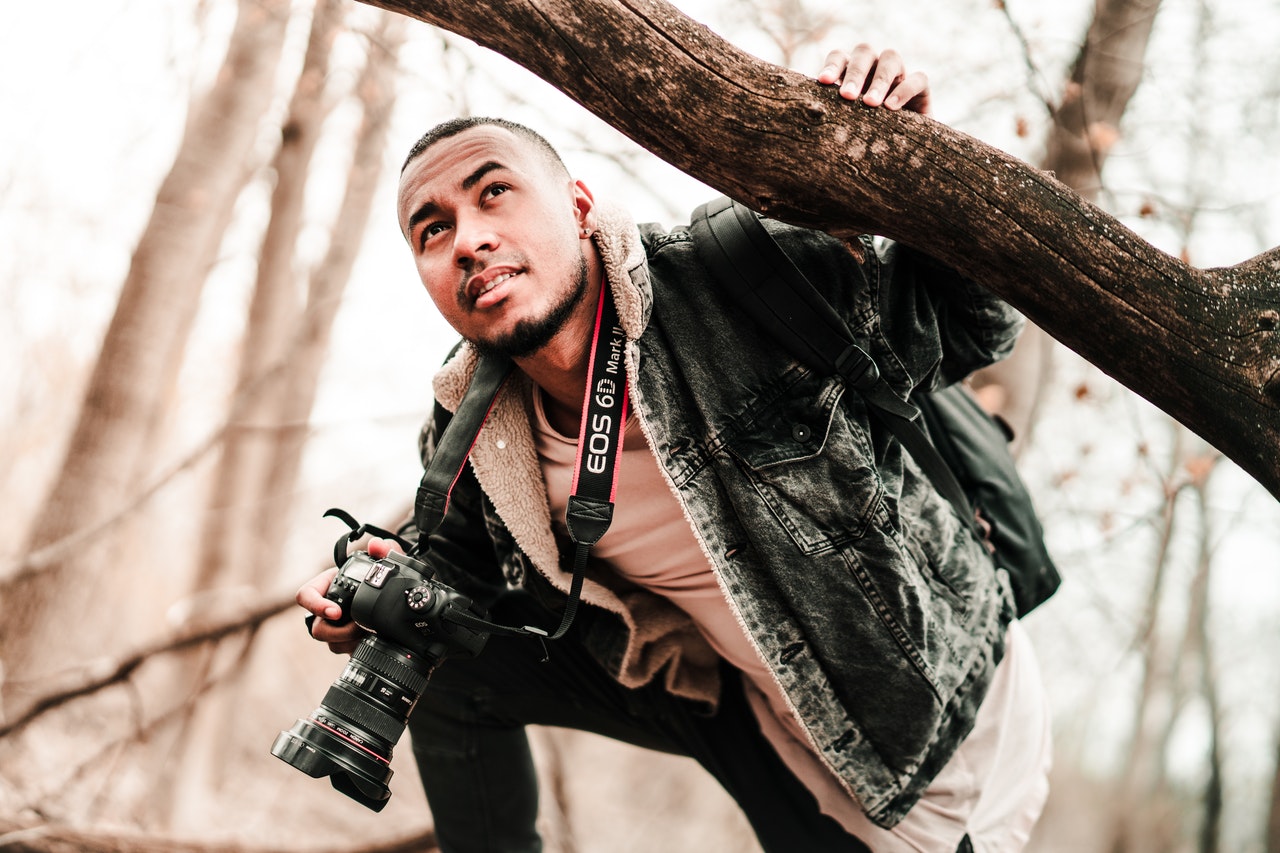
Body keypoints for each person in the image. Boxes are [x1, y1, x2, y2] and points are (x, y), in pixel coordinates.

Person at [297, 45, 1052, 853]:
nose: (469, 241)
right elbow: (459, 571)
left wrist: (918, 165)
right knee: (445, 660)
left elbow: (979, 324)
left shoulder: (738, 281)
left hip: (944, 731)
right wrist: (376, 584)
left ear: (580, 204)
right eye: (433, 229)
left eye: (495, 194)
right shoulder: (466, 425)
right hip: (750, 716)